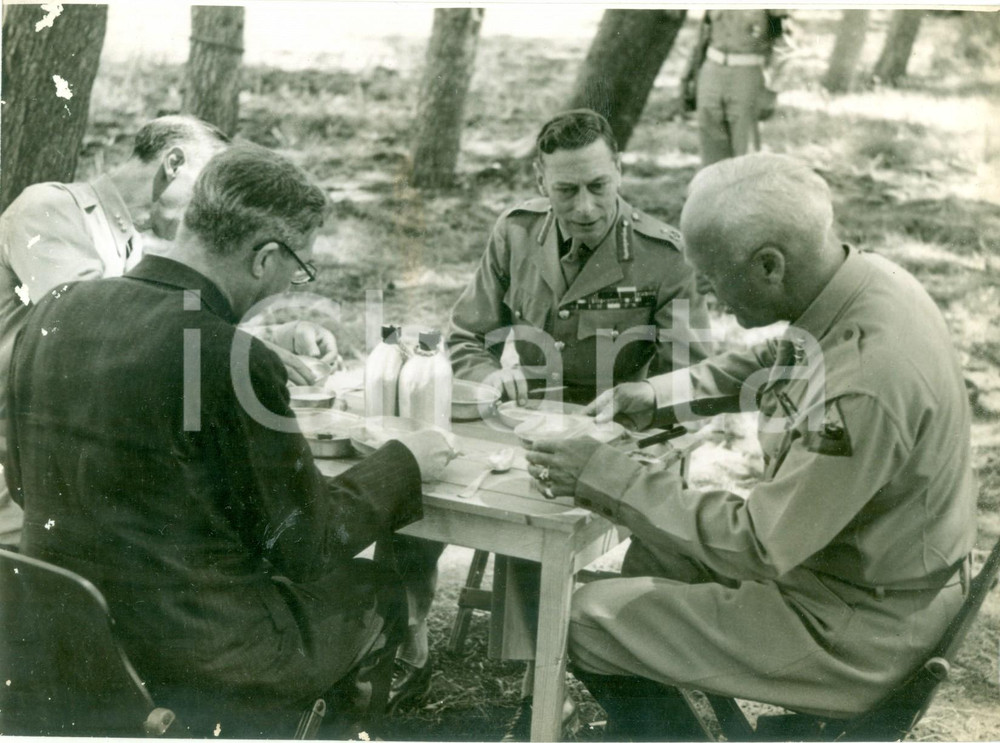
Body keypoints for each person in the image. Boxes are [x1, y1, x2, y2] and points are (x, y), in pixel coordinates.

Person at [4, 144, 455, 738]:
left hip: (60, 627)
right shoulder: (227, 356)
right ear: (265, 257)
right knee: (372, 588)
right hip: (197, 652)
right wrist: (405, 461)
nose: (295, 282)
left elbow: (21, 482)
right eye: (300, 268)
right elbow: (307, 543)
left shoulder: (55, 309)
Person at [524, 153, 977, 739]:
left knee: (583, 621)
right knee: (658, 553)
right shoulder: (860, 284)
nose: (707, 294)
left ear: (769, 266)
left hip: (860, 627)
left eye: (712, 277)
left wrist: (603, 475)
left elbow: (761, 544)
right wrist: (658, 393)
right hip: (854, 578)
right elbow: (780, 358)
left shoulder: (864, 385)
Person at [382, 109, 711, 737]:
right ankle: (407, 642)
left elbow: (685, 387)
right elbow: (464, 336)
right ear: (541, 181)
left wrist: (622, 421)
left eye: (598, 186)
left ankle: (544, 683)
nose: (584, 206)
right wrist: (489, 377)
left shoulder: (665, 257)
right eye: (565, 190)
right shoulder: (515, 233)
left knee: (541, 516)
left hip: (616, 435)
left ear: (620, 170)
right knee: (409, 481)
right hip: (518, 420)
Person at [0, 116, 338, 547]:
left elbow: (152, 324)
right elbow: (97, 328)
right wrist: (248, 350)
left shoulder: (131, 242)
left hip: (72, 452)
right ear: (173, 162)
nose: (210, 207)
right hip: (23, 460)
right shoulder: (49, 207)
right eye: (207, 187)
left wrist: (275, 333)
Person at [682, 10, 789, 166]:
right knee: (710, 152)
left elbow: (784, 44)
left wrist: (772, 89)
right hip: (711, 69)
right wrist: (689, 75)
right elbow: (703, 33)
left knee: (745, 153)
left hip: (747, 72)